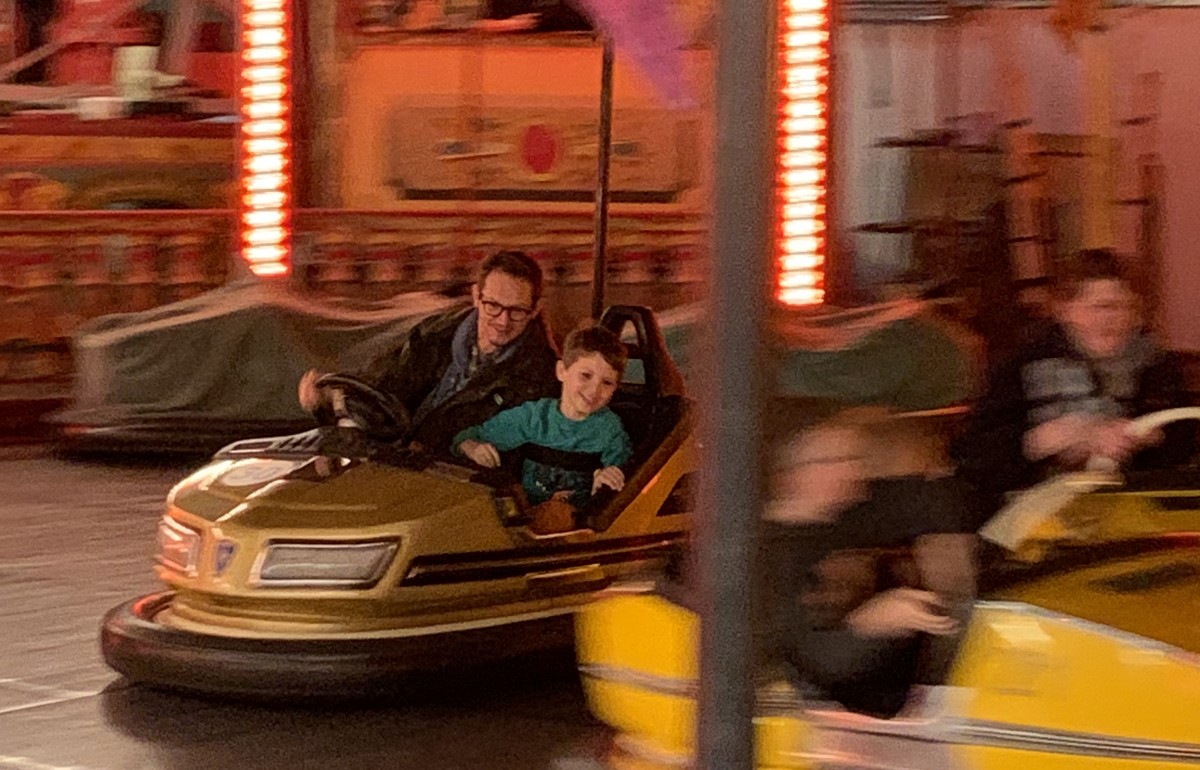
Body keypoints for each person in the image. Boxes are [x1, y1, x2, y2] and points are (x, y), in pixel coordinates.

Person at [953, 249, 1190, 526]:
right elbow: (977, 461)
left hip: (1134, 517)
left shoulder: (1156, 365)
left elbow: (1181, 445)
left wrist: (1145, 436)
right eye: (1101, 307)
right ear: (1066, 310)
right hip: (1031, 520)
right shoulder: (1020, 365)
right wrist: (1049, 438)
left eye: (1126, 307)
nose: (1114, 319)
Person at [758, 406, 964, 718]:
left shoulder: (847, 517)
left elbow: (930, 497)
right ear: (788, 474)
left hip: (906, 708)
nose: (851, 471)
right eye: (832, 461)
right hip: (827, 732)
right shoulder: (766, 556)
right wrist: (872, 623)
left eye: (854, 458)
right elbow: (813, 664)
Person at [298, 250, 560, 454]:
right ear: (476, 297)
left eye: (516, 311)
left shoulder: (538, 379)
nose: (503, 321)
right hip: (398, 461)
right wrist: (329, 398)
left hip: (455, 482)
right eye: (493, 306)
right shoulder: (436, 334)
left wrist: (431, 448)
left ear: (535, 310)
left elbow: (507, 449)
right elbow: (385, 380)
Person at [453, 325, 633, 532]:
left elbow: (624, 477)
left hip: (575, 528)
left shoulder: (609, 430)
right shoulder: (534, 417)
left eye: (607, 383)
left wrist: (608, 482)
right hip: (522, 519)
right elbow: (466, 438)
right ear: (562, 371)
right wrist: (471, 447)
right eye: (585, 375)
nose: (594, 390)